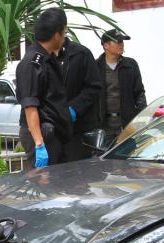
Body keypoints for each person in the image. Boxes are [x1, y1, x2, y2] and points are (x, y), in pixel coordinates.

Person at [15, 7, 72, 168]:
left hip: (53, 134)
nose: (64, 37)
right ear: (56, 35)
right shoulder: (33, 63)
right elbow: (30, 105)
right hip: (42, 135)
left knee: (55, 186)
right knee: (44, 187)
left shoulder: (48, 58)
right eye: (64, 32)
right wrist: (39, 144)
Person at [96, 29, 147, 144]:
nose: (121, 44)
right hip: (103, 125)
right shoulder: (95, 66)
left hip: (126, 123)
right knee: (102, 159)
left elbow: (139, 93)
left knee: (127, 156)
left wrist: (142, 117)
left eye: (122, 42)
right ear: (106, 45)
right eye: (118, 42)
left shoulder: (131, 65)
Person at [57, 37, 102, 160]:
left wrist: (74, 108)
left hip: (78, 129)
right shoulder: (42, 55)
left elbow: (94, 86)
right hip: (54, 129)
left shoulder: (81, 54)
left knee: (76, 171)